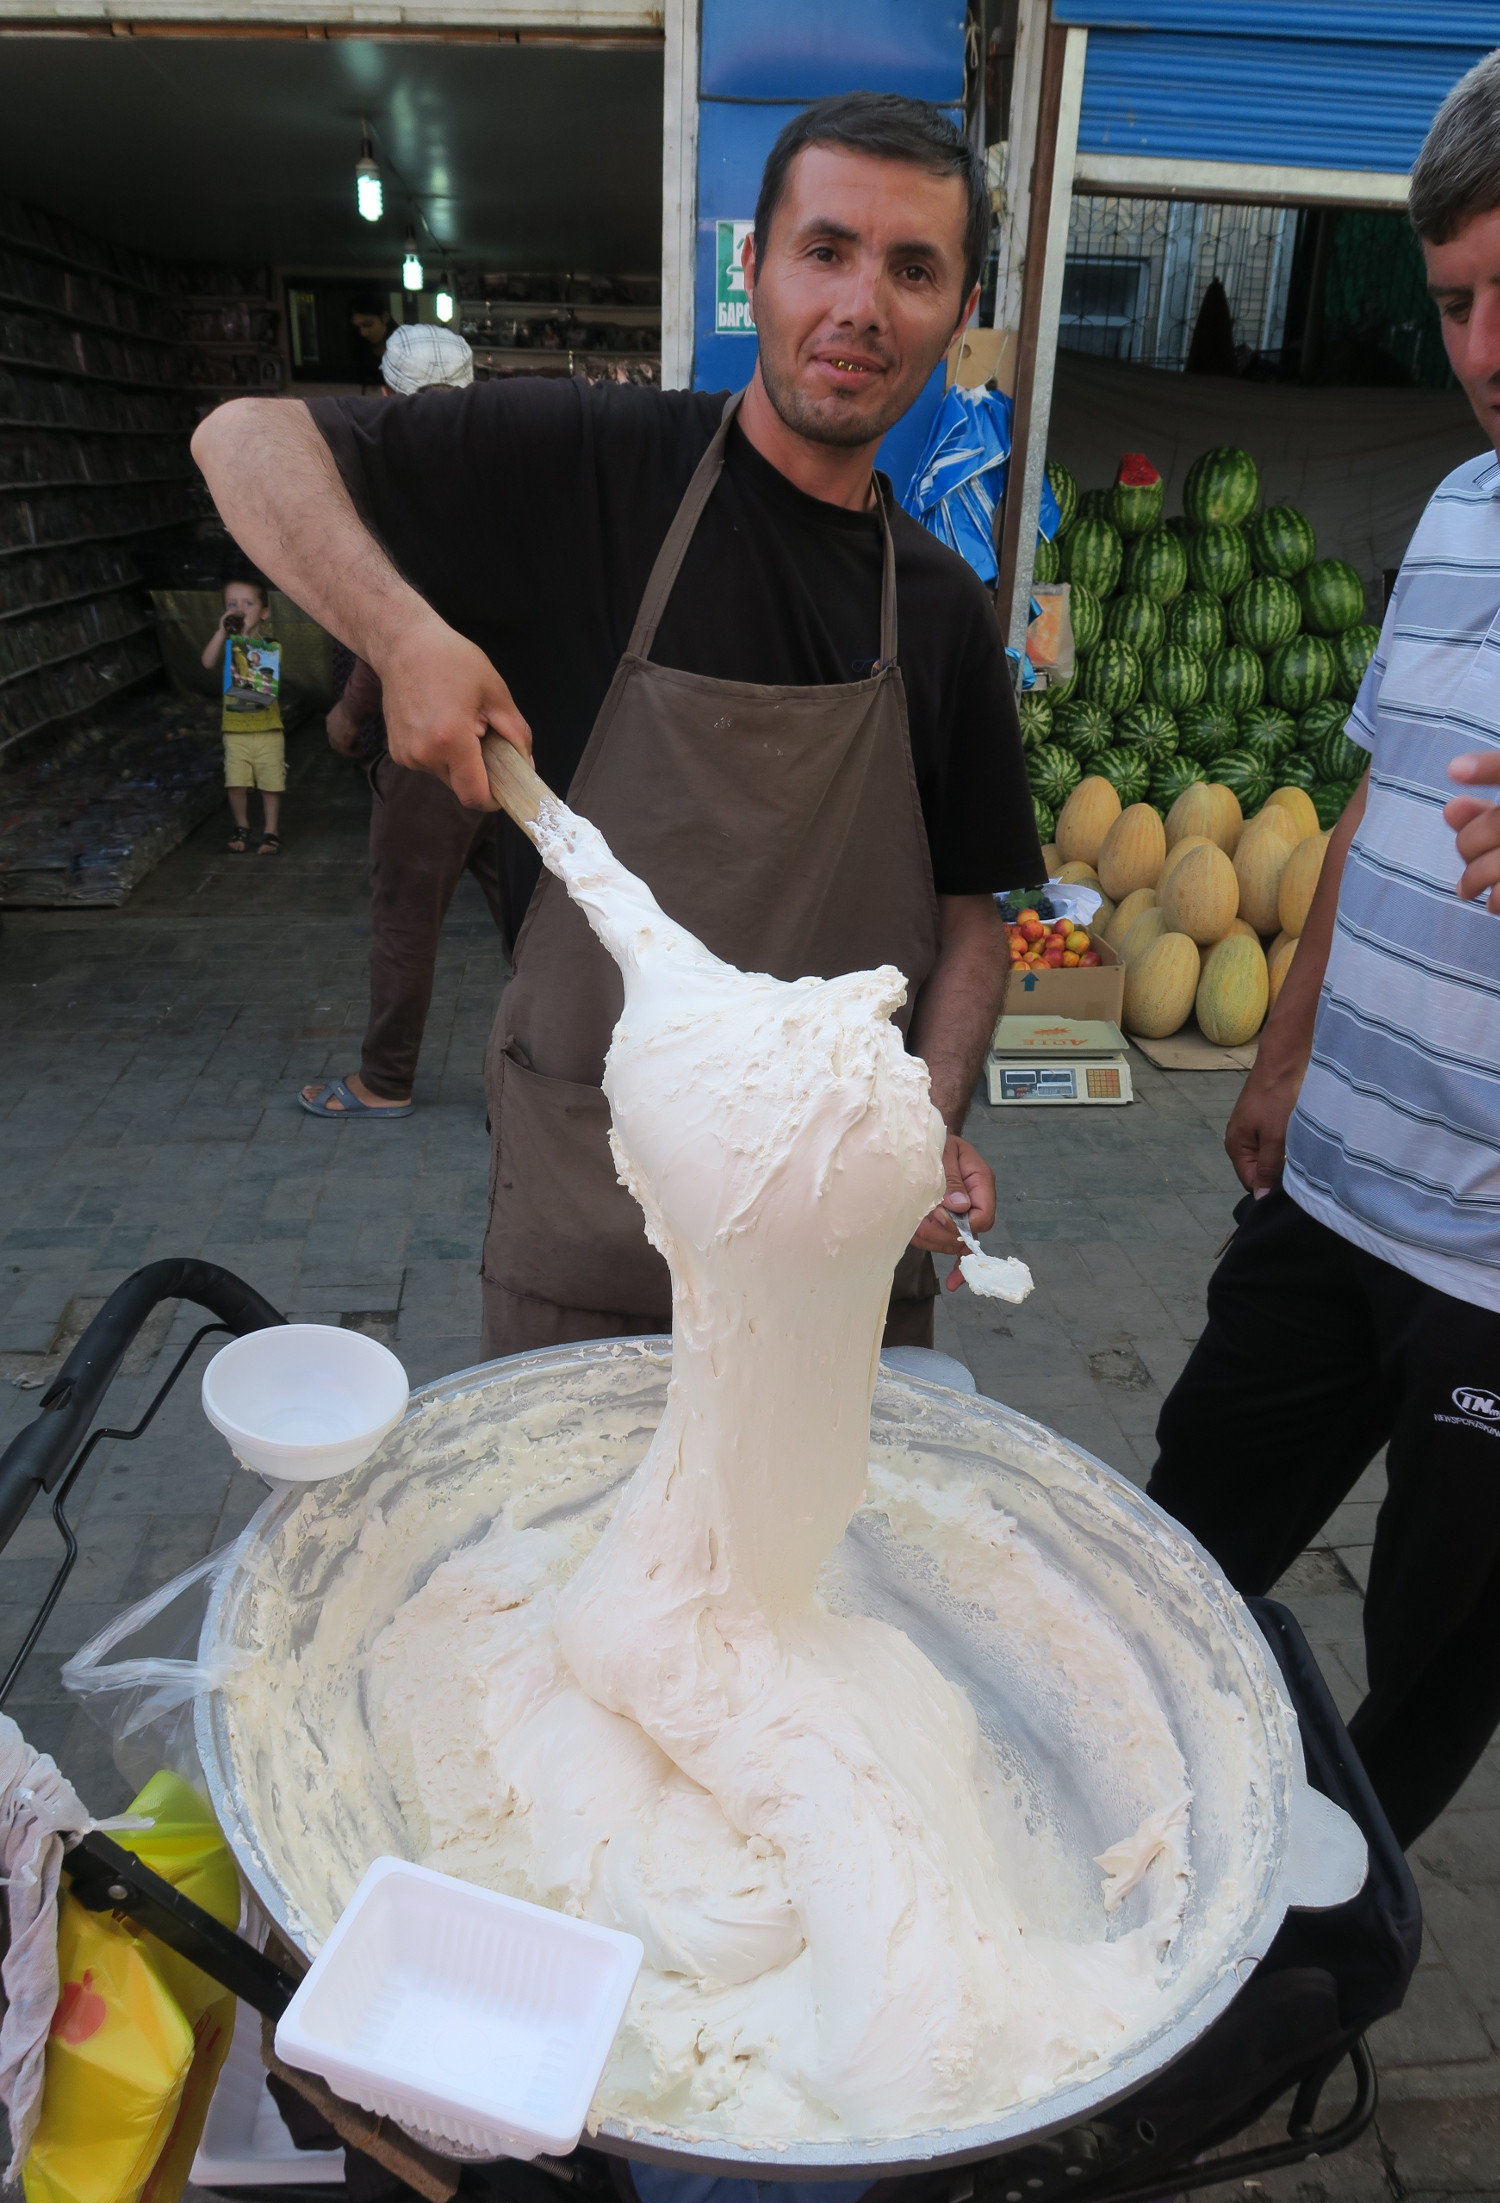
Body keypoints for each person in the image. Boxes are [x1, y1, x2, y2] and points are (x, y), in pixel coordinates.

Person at [192, 91, 1041, 1356]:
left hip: (832, 1255)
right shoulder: (587, 463)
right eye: (827, 250)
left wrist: (924, 1115)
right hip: (591, 1228)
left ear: (958, 313)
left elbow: (976, 916)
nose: (863, 305)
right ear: (754, 268)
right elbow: (244, 437)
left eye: (913, 268)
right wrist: (402, 631)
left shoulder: (945, 614)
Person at [1146, 49, 1500, 1851]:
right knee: (1173, 1546)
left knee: (1429, 1663)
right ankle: (1128, 1825)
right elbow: (1366, 818)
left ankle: (1327, 1928)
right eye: (1457, 301)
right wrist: (1278, 1061)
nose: (1489, 346)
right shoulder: (1452, 517)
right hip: (1335, 1189)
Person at [306, 323, 505, 1121]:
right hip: (514, 734)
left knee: (405, 918)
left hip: (426, 747)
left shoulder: (388, 491)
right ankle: (549, 1082)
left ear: (384, 395)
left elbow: (392, 642)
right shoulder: (508, 483)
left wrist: (349, 718)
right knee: (533, 925)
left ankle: (383, 1080)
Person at [200, 573, 284, 855]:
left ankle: (270, 830)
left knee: (270, 782)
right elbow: (207, 662)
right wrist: (221, 632)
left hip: (268, 729)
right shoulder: (225, 645)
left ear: (264, 613)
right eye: (232, 604)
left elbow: (261, 683)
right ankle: (242, 825)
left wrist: (241, 638)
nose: (239, 609)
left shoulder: (270, 646)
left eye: (248, 603)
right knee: (236, 781)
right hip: (235, 729)